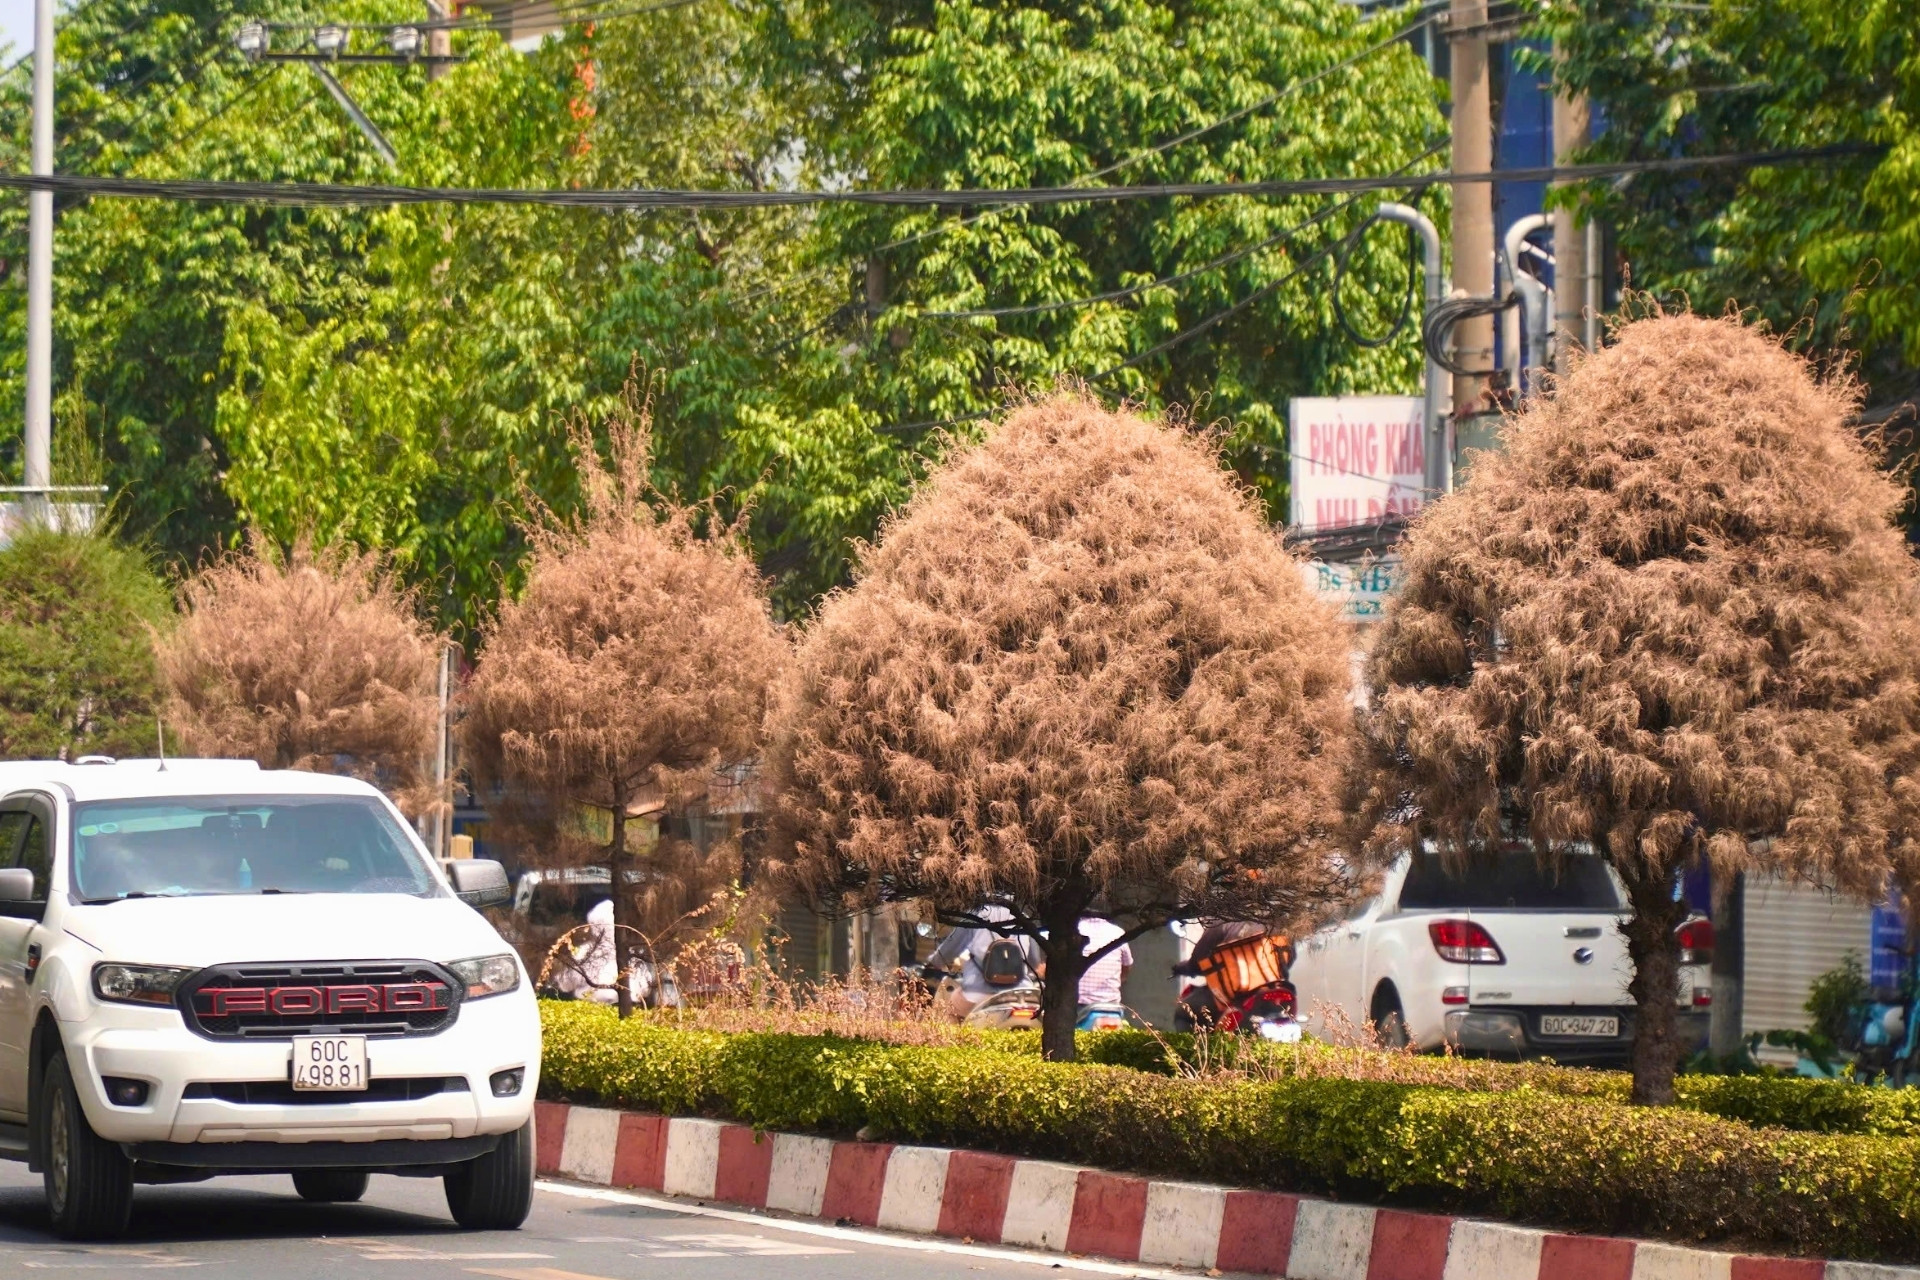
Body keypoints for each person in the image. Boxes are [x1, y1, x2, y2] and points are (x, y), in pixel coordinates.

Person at [924, 905, 1041, 1018]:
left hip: (977, 994)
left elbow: (950, 949)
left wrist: (934, 963)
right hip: (1020, 992)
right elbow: (1035, 962)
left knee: (949, 1007)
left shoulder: (976, 915)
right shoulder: (1023, 918)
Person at [1075, 917, 1133, 1008]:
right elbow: (1126, 967)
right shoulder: (1118, 933)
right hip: (1111, 1005)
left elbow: (1044, 971)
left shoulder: (1072, 931)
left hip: (1076, 1005)